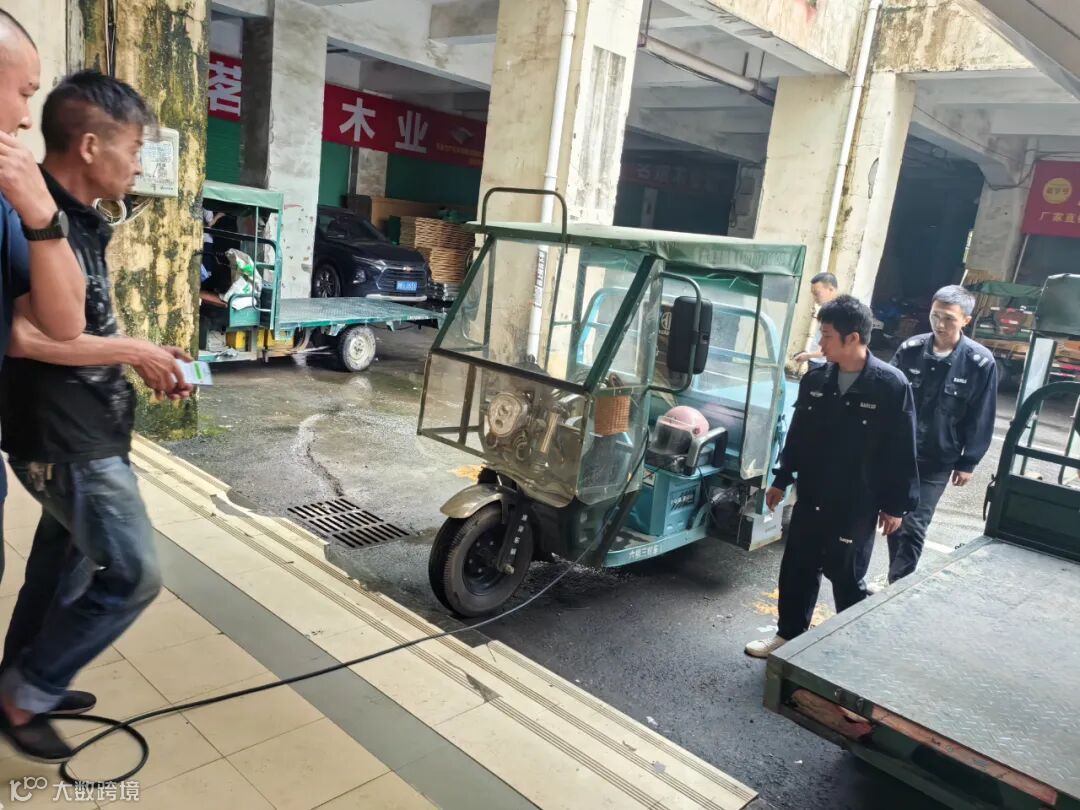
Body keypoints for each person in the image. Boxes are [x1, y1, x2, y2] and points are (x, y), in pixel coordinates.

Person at [0, 70, 194, 762]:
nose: (139, 164)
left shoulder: (78, 218)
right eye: (133, 148)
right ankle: (27, 694)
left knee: (59, 573)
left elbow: (79, 325)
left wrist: (141, 353)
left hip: (87, 431)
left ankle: (22, 679)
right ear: (89, 146)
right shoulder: (31, 213)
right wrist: (135, 350)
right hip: (66, 440)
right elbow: (23, 336)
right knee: (134, 575)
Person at [746, 295, 919, 658]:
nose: (819, 344)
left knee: (846, 575)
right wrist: (781, 478)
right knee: (798, 567)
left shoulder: (890, 385)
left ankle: (850, 653)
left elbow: (902, 450)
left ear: (852, 338)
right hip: (812, 493)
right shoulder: (816, 379)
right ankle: (788, 636)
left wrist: (896, 506)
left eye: (826, 336)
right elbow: (798, 434)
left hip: (857, 502)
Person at [0, 10, 88, 590]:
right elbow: (25, 339)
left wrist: (40, 215)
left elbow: (63, 320)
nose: (25, 118)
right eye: (24, 92)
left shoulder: (16, 202)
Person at [882, 285, 996, 584]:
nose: (940, 325)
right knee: (888, 517)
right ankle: (886, 582)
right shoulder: (911, 350)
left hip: (936, 460)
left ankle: (898, 588)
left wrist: (968, 461)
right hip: (897, 454)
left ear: (966, 320)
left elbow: (982, 414)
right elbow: (887, 396)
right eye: (935, 316)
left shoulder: (979, 363)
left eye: (949, 319)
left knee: (913, 526)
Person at [792, 272, 839, 368]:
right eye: (813, 294)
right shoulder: (826, 310)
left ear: (831, 289)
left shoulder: (836, 313)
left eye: (817, 294)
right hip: (816, 360)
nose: (814, 298)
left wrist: (808, 355)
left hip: (824, 364)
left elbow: (833, 347)